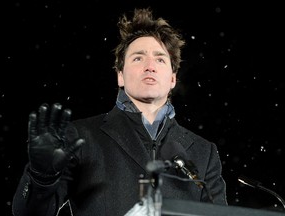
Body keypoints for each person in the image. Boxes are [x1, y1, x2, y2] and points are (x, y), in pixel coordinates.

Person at [12, 7, 227, 216]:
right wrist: (42, 178)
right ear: (120, 76)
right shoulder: (80, 137)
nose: (150, 66)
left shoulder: (204, 152)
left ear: (173, 78)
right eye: (138, 58)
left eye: (160, 59)